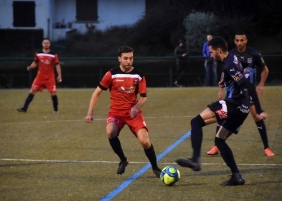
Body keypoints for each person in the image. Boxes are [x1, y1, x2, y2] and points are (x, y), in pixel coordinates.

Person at [176, 36, 267, 186]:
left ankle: (195, 159)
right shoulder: (231, 58)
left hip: (232, 105)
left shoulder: (229, 64)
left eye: (211, 52)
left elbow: (249, 86)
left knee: (196, 122)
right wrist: (225, 82)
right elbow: (240, 76)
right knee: (219, 140)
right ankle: (237, 176)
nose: (210, 55)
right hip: (242, 109)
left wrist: (259, 110)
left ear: (219, 50)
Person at [84, 46, 161, 178]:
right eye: (125, 58)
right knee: (110, 132)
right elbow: (96, 93)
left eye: (131, 58)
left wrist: (136, 107)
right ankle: (123, 160)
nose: (128, 61)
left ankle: (155, 167)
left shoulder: (138, 74)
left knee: (144, 141)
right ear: (119, 59)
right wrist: (90, 113)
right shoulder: (111, 74)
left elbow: (143, 96)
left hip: (133, 113)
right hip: (116, 112)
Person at [207, 32, 274, 157]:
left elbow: (265, 69)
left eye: (242, 40)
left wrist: (261, 85)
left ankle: (267, 148)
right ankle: (216, 146)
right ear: (234, 41)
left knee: (257, 117)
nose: (239, 43)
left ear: (246, 41)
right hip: (233, 93)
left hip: (247, 92)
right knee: (222, 116)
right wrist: (221, 89)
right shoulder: (230, 54)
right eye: (237, 40)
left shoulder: (254, 54)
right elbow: (224, 73)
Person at [16, 38, 62, 113]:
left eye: (47, 43)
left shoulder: (53, 54)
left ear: (49, 44)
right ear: (42, 44)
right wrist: (30, 67)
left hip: (50, 77)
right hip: (40, 76)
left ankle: (56, 110)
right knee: (32, 91)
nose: (46, 44)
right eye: (45, 43)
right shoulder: (38, 53)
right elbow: (35, 62)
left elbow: (57, 65)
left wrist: (59, 75)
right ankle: (24, 108)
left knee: (53, 93)